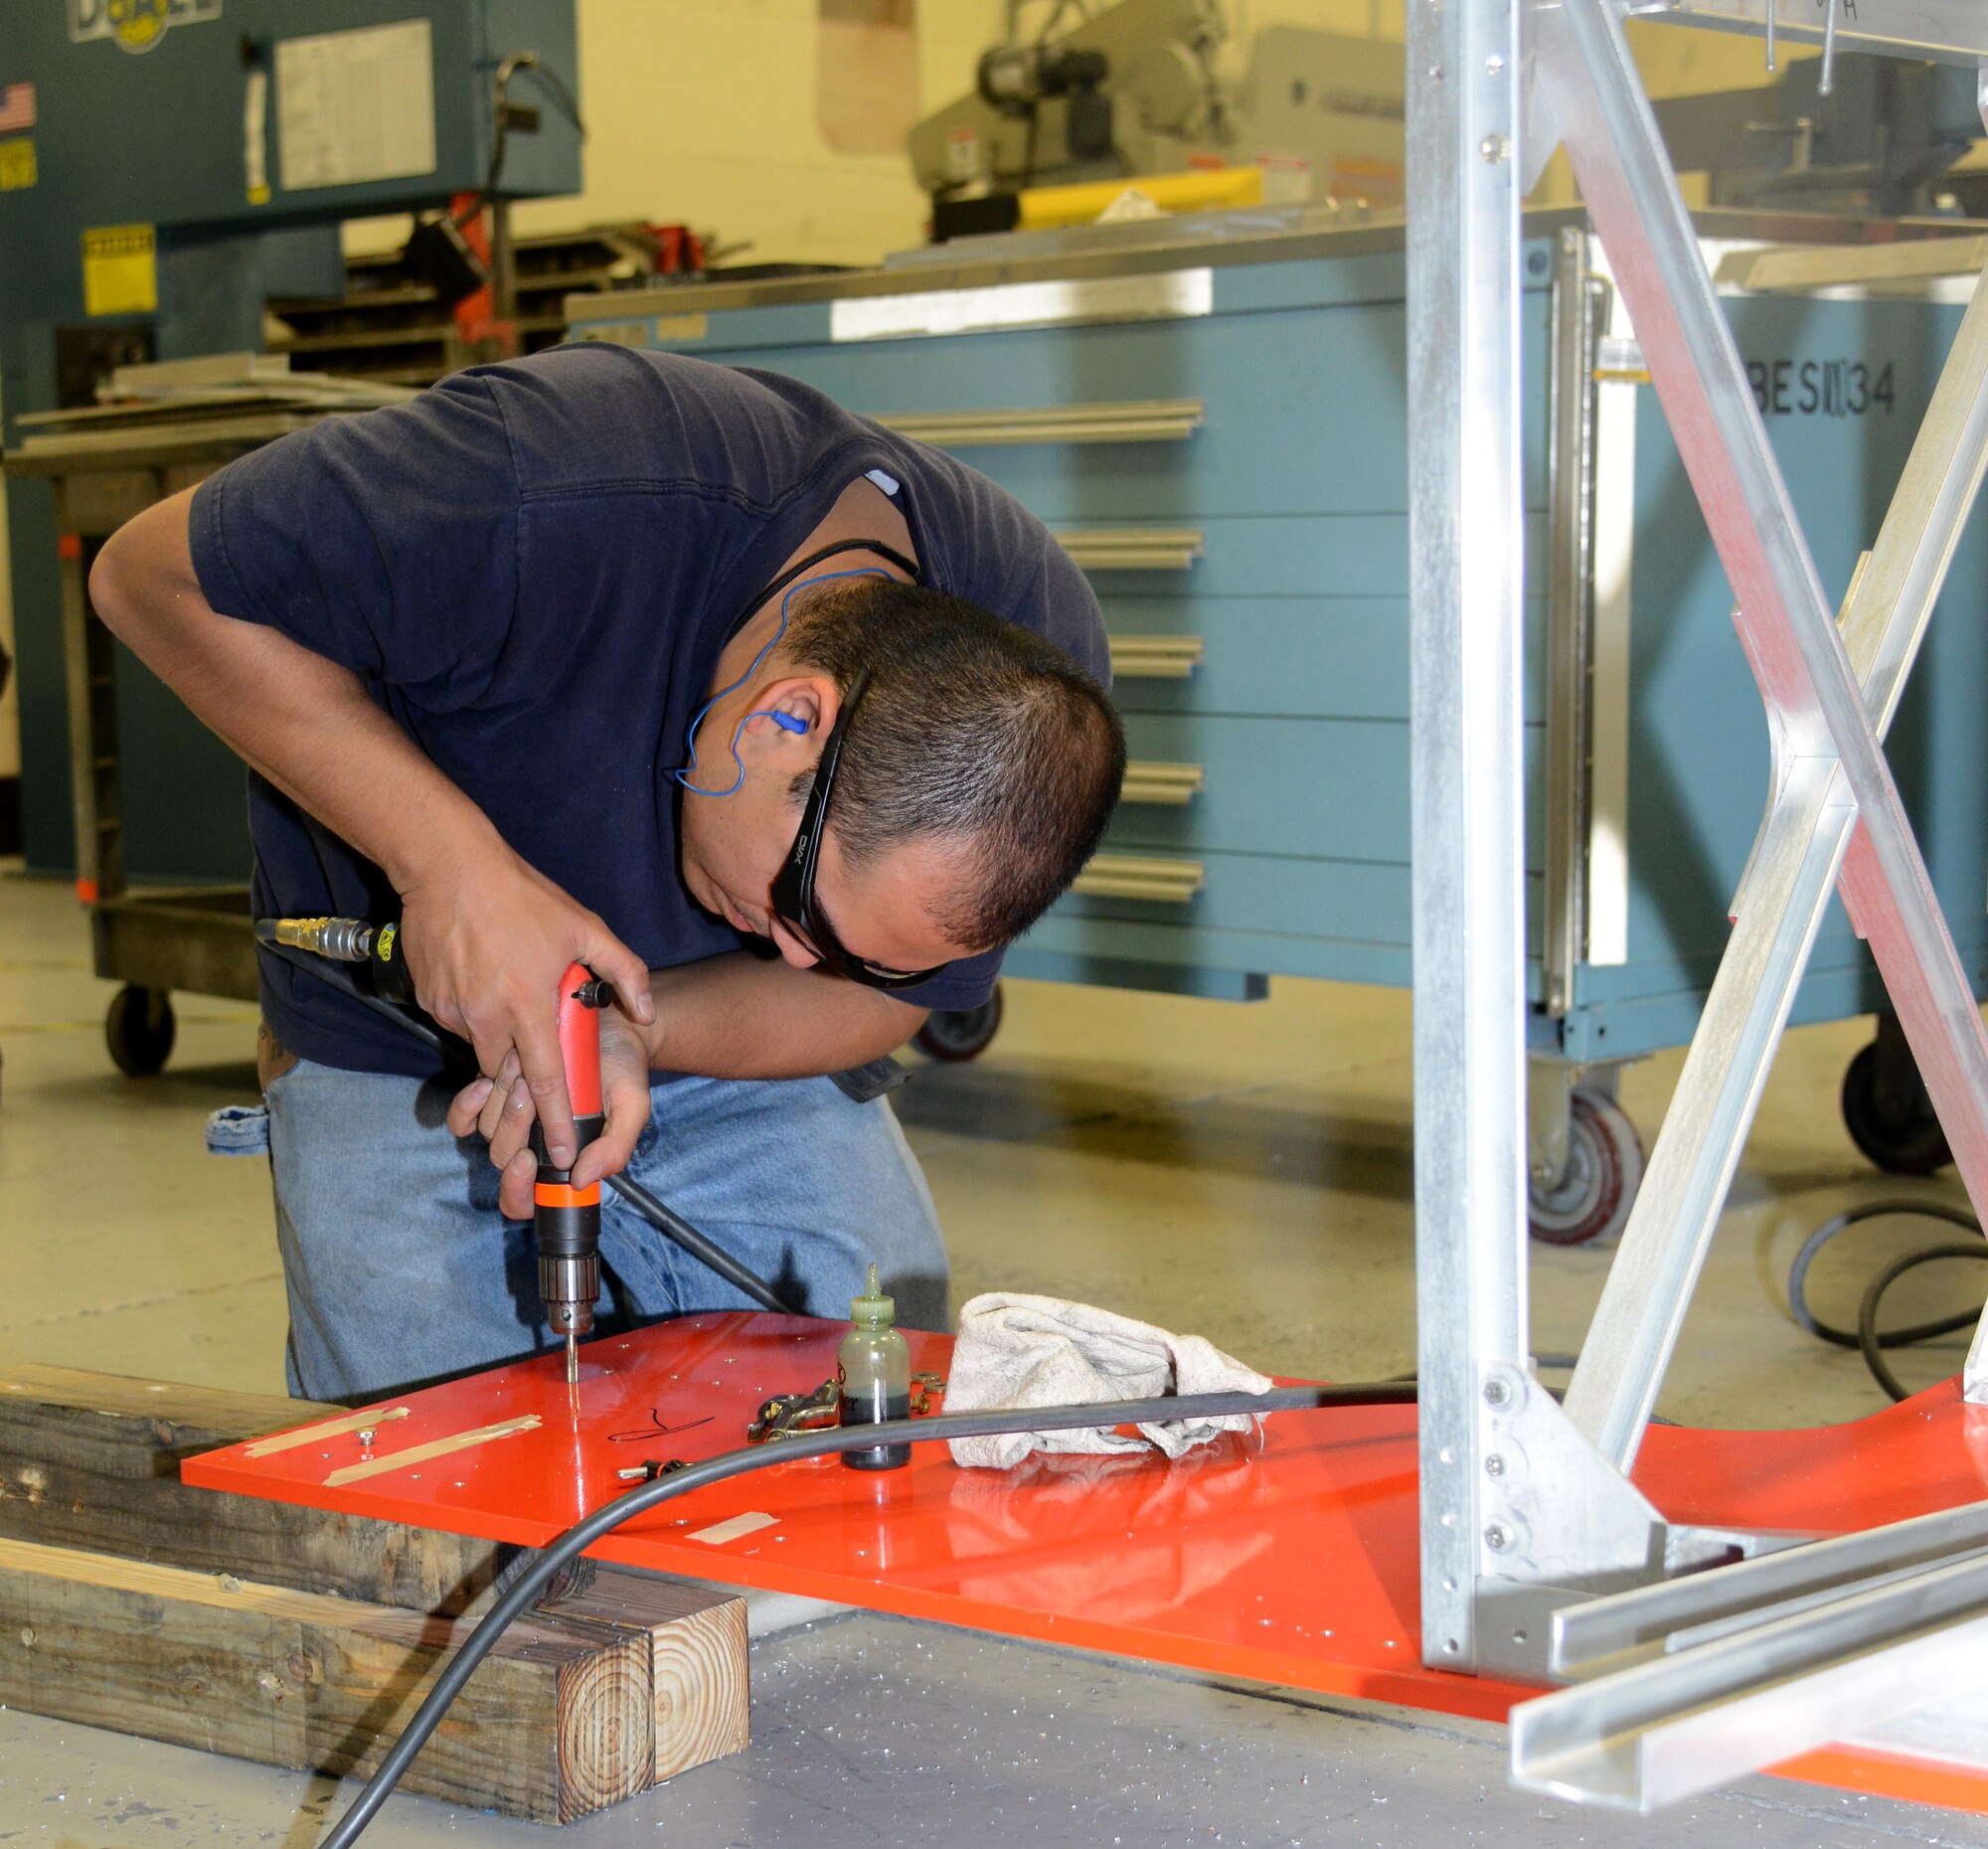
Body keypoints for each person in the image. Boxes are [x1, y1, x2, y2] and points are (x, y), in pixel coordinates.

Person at [89, 344, 1124, 1400]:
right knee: (419, 1487)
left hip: (740, 1064)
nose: (790, 956)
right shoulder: (543, 483)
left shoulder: (1026, 704)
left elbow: (872, 1006)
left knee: (862, 1420)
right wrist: (452, 869)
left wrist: (636, 1027)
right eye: (799, 908)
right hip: (401, 1055)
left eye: (850, 954)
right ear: (788, 718)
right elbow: (147, 576)